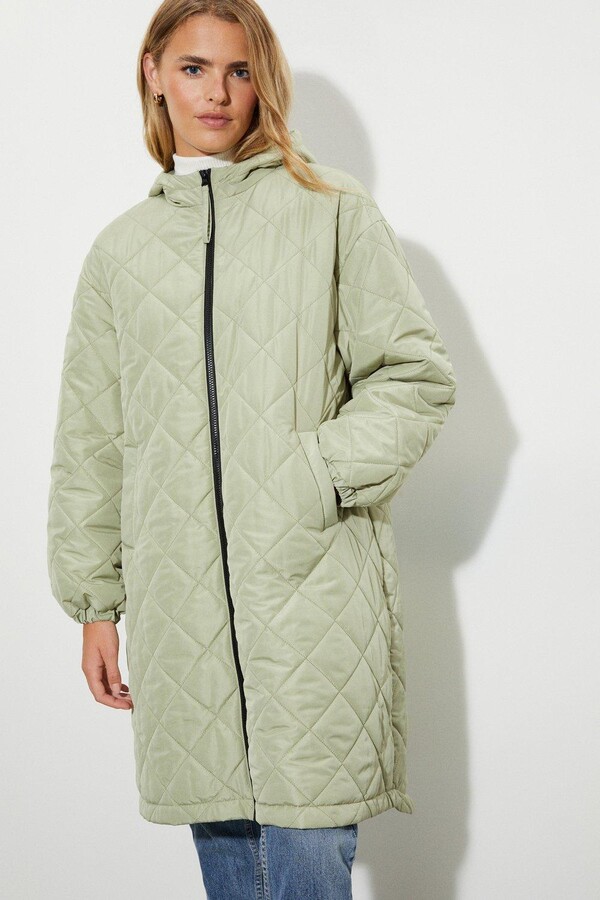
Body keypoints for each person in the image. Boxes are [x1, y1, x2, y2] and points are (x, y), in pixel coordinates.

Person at [46, 0, 457, 897]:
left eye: (238, 70)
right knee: (230, 859)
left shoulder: (332, 211)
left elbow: (415, 377)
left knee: (306, 859)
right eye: (193, 68)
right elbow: (90, 441)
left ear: (262, 80)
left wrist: (315, 474)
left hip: (312, 597)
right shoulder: (120, 254)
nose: (218, 93)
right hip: (181, 613)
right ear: (154, 73)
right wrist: (94, 605)